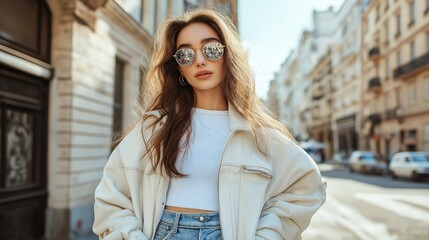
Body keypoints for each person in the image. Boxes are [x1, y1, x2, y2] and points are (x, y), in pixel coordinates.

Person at [93, 8, 327, 240]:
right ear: (179, 69)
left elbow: (306, 186)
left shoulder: (258, 134)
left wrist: (268, 235)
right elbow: (111, 197)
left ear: (227, 56)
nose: (200, 60)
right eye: (186, 55)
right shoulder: (154, 129)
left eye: (211, 49)